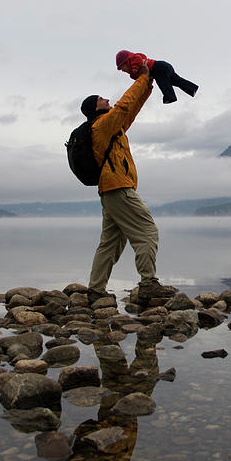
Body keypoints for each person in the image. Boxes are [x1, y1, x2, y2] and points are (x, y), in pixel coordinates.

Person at [81, 58, 169, 305]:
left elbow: (131, 110)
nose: (107, 100)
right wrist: (141, 77)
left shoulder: (111, 128)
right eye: (102, 100)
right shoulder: (102, 126)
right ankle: (149, 284)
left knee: (110, 243)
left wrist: (148, 85)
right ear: (96, 109)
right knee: (147, 232)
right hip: (118, 188)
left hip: (110, 191)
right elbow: (122, 107)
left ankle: (95, 290)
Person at [115, 49, 198, 104]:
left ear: (127, 61)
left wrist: (135, 68)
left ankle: (170, 96)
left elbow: (138, 59)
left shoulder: (134, 60)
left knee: (163, 82)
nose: (122, 70)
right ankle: (192, 89)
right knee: (177, 81)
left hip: (158, 67)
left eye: (122, 67)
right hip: (164, 66)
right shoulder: (133, 73)